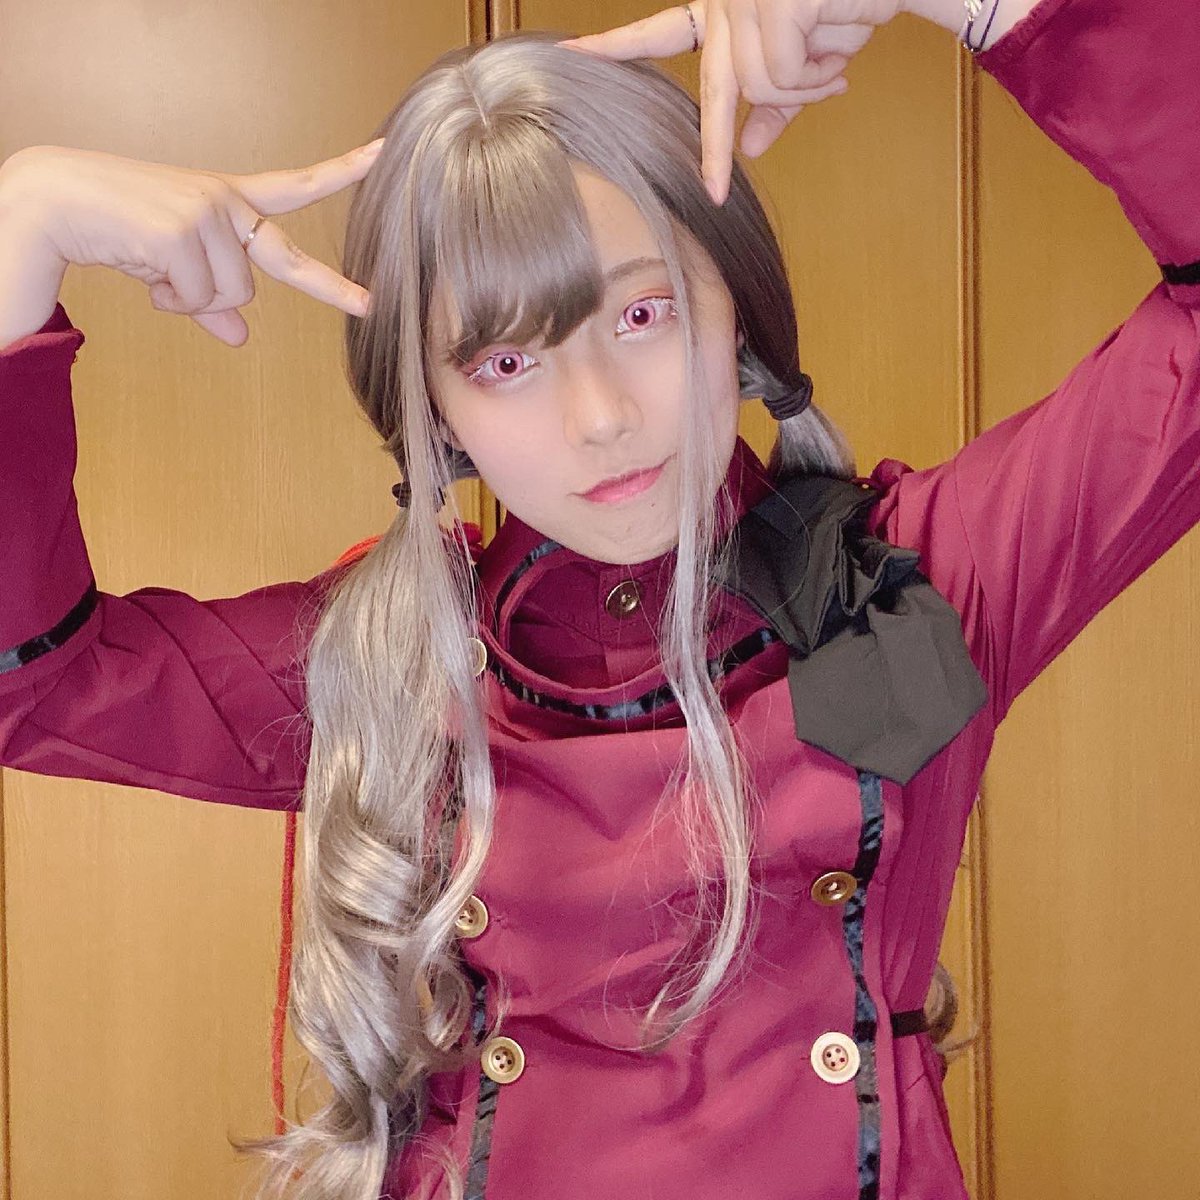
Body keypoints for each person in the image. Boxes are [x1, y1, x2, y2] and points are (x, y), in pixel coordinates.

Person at [0, 0, 1196, 1197]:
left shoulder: (913, 589)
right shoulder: (390, 659)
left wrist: (994, 5)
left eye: (641, 313)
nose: (601, 416)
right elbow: (35, 684)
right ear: (434, 413)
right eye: (506, 361)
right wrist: (20, 226)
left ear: (738, 314)